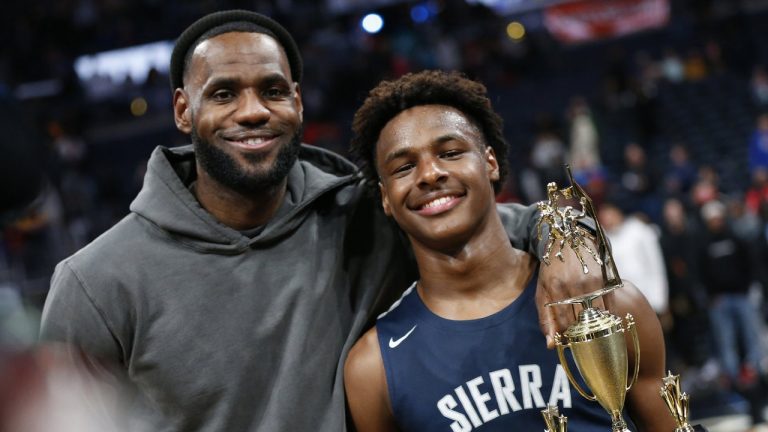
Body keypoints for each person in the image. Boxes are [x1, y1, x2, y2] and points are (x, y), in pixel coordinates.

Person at [39, 10, 602, 432]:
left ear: (299, 104)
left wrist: (564, 237)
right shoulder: (96, 285)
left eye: (273, 90)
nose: (253, 110)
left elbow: (506, 221)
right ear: (184, 110)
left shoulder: (361, 213)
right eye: (224, 93)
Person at [344, 70, 674, 431]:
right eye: (404, 167)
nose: (430, 174)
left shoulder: (609, 305)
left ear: (490, 162)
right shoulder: (373, 367)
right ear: (385, 198)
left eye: (450, 152)